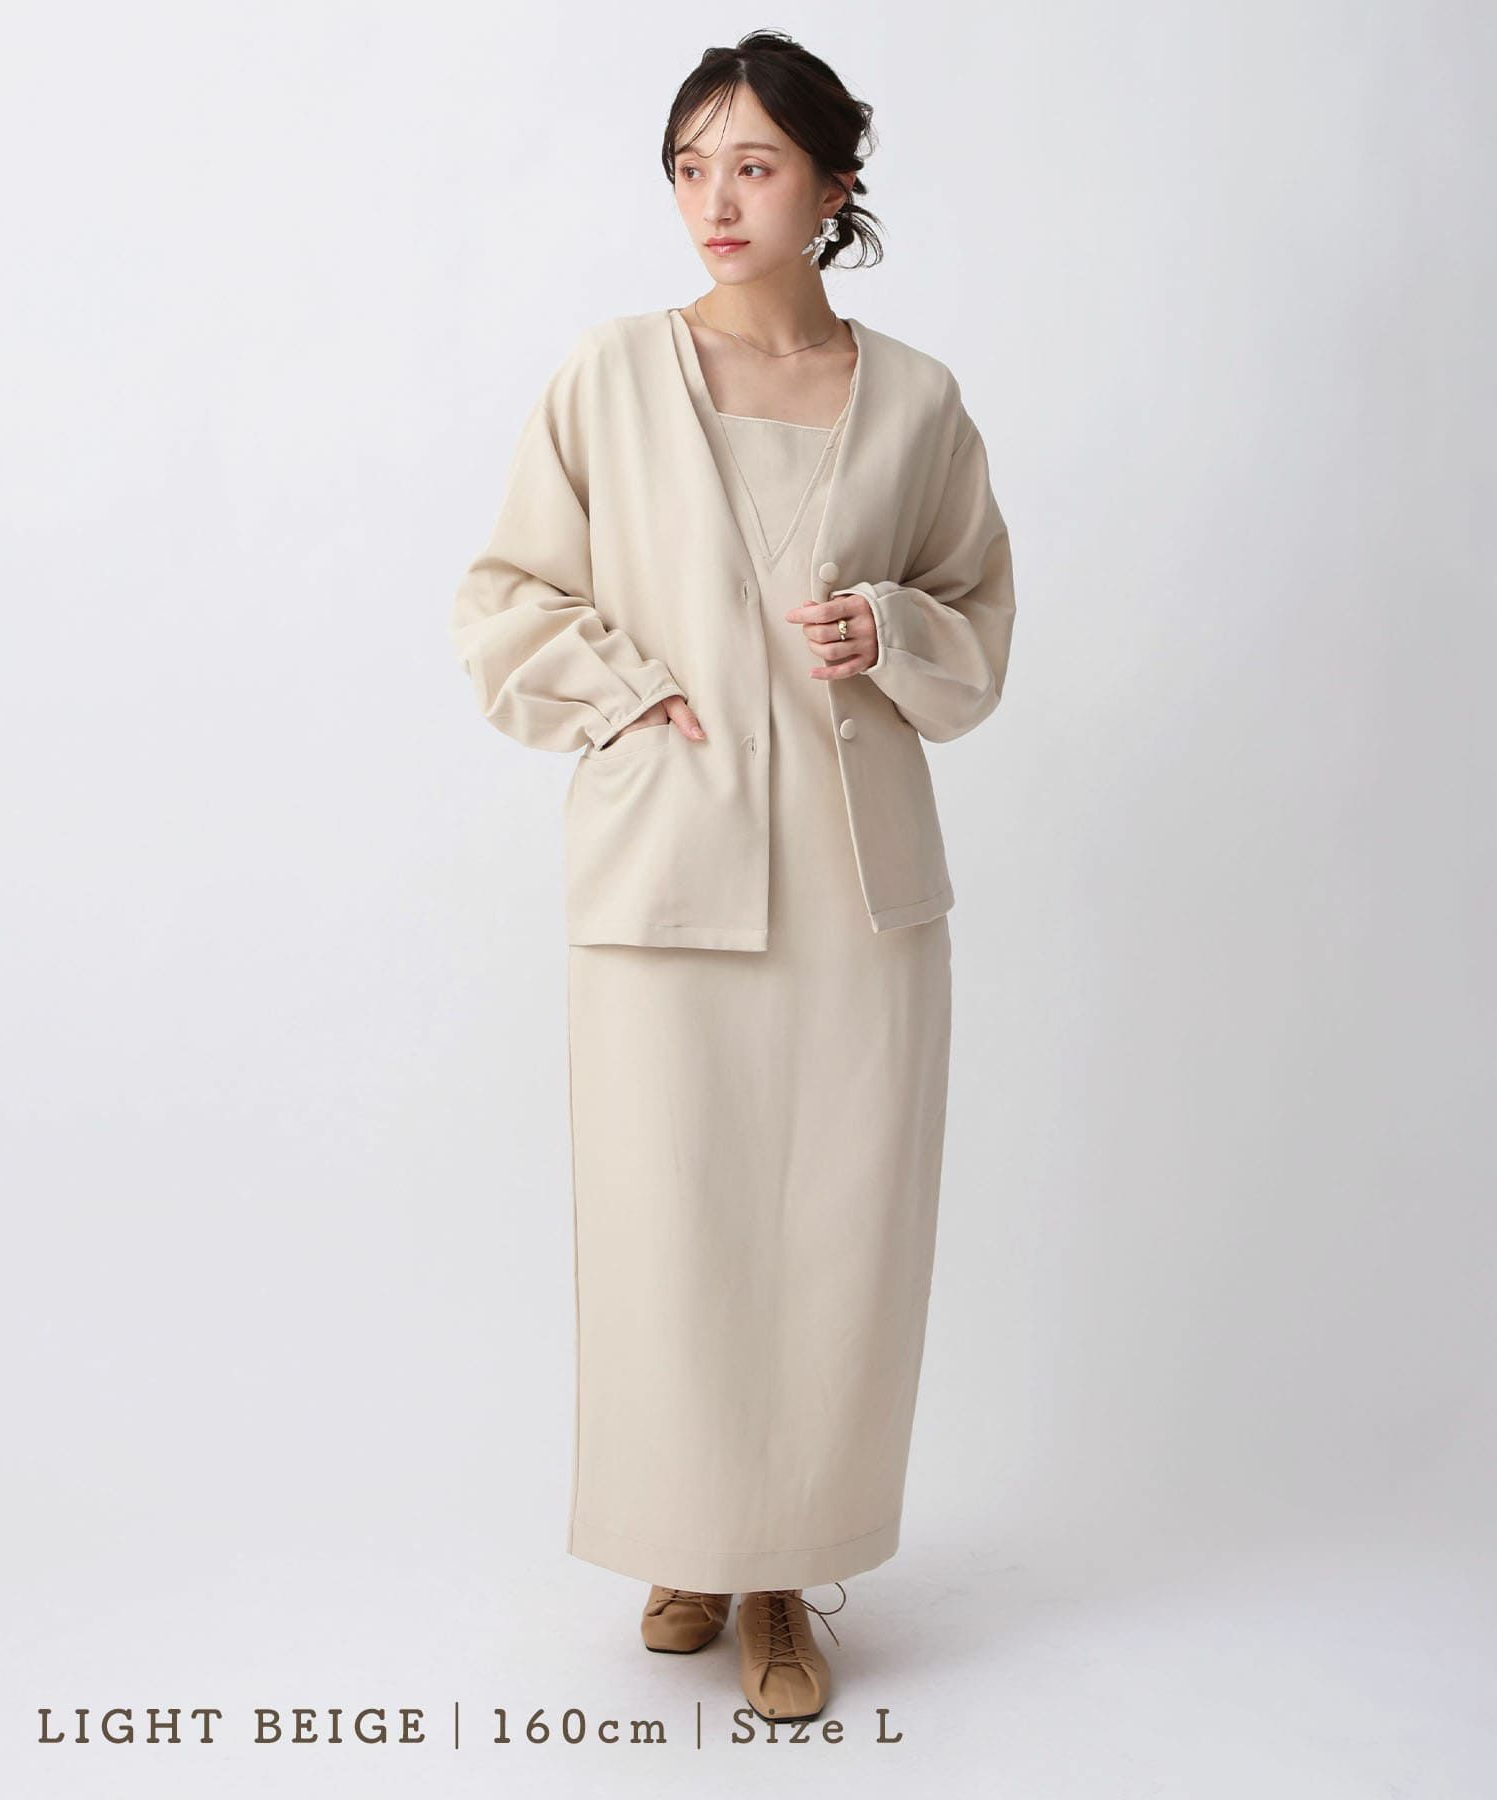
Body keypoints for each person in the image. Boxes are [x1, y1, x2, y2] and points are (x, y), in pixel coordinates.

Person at [450, 30, 1017, 1723]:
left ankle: (786, 1571)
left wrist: (891, 629)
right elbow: (505, 598)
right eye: (691, 165)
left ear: (834, 185)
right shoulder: (610, 377)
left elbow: (978, 629)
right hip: (667, 870)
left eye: (755, 164)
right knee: (668, 1218)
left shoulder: (918, 403)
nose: (716, 198)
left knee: (837, 1229)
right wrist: (624, 693)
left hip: (858, 888)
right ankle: (688, 1542)